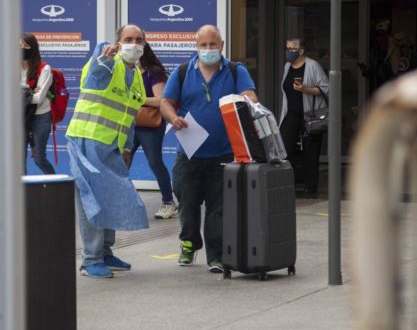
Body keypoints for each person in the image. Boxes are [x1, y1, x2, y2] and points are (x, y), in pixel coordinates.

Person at [160, 25, 257, 273]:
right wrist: (172, 118)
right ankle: (190, 243)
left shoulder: (236, 71)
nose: (208, 50)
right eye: (203, 45)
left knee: (218, 208)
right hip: (189, 153)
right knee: (187, 202)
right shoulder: (182, 72)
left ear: (222, 45)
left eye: (213, 45)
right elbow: (166, 102)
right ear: (196, 46)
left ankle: (216, 255)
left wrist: (247, 102)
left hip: (224, 153)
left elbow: (251, 97)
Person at [66, 24, 148, 279]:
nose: (133, 44)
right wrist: (103, 57)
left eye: (138, 40)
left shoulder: (136, 78)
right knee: (92, 201)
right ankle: (91, 259)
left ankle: (106, 252)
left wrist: (126, 147)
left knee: (112, 197)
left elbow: (130, 116)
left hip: (112, 146)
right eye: (128, 39)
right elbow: (96, 73)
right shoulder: (107, 65)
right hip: (87, 141)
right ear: (118, 42)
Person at [129, 42, 177, 219]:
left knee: (155, 162)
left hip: (150, 125)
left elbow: (161, 100)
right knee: (122, 163)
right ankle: (124, 201)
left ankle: (168, 203)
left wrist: (137, 99)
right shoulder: (128, 71)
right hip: (130, 124)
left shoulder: (154, 72)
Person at [278, 37, 328, 198]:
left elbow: (327, 88)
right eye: (287, 48)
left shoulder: (312, 66)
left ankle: (310, 187)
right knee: (284, 148)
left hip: (309, 115)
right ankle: (287, 183)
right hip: (291, 113)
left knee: (310, 151)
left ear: (301, 51)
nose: (288, 52)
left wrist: (305, 89)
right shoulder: (287, 67)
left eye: (292, 49)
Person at [20, 33, 55, 174]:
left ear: (33, 48)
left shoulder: (44, 69)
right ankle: (22, 192)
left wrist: (22, 93)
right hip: (20, 117)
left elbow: (39, 98)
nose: (22, 49)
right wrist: (29, 92)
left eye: (26, 46)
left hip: (40, 117)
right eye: (19, 46)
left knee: (39, 158)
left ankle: (54, 186)